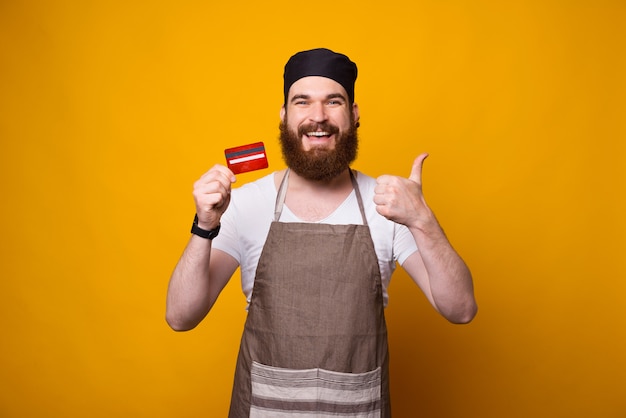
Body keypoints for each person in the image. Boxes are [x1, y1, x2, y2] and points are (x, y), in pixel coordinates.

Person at [166, 48, 477, 417]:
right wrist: (205, 224)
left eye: (333, 101)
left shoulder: (390, 207)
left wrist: (422, 219)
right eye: (303, 102)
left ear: (354, 115)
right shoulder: (245, 203)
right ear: (284, 116)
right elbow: (180, 317)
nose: (318, 117)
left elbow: (461, 309)